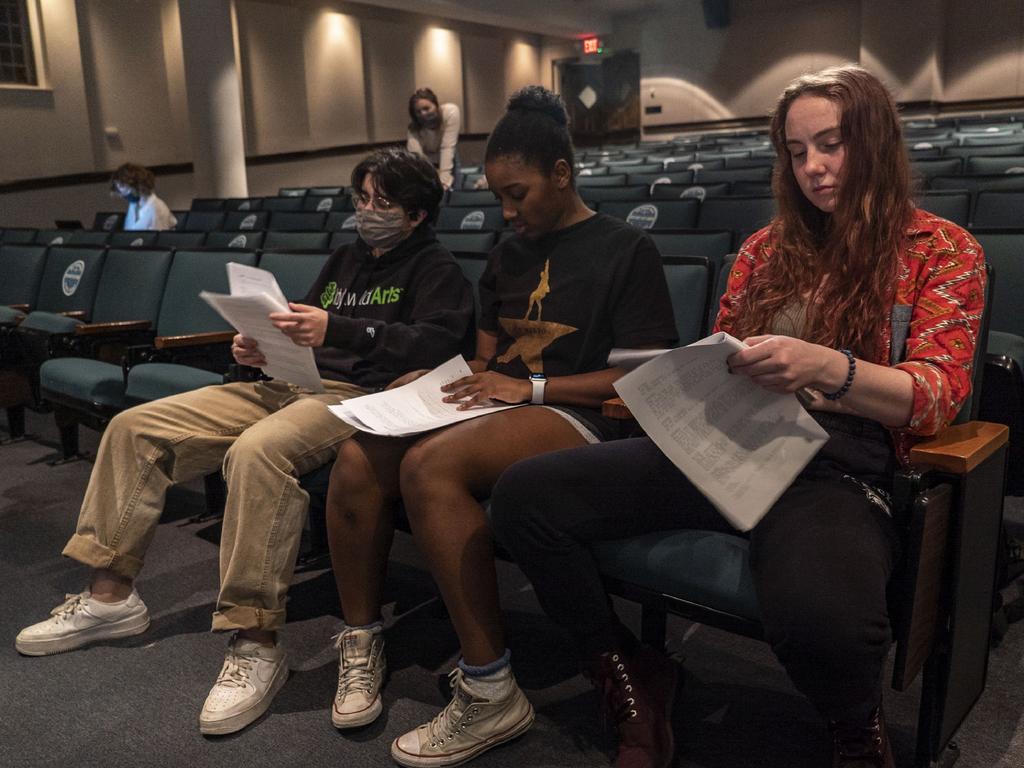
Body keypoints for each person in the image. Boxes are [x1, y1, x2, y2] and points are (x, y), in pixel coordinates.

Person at [489, 65, 986, 768]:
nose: (813, 167)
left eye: (832, 145)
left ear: (874, 142)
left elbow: (936, 394)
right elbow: (722, 353)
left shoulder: (941, 249)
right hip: (724, 439)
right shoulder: (764, 249)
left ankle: (854, 730)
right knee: (524, 496)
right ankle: (627, 669)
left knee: (826, 620)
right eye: (796, 149)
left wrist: (826, 368)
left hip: (833, 464)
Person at [15, 149, 475, 737]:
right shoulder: (345, 259)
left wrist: (339, 329)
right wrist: (259, 345)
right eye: (361, 198)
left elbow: (434, 347)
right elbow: (298, 327)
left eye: (382, 202)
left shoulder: (438, 270)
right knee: (135, 428)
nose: (366, 211)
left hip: (359, 396)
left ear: (415, 213)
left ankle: (256, 641)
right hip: (290, 381)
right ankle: (109, 599)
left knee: (257, 452)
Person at [324, 86, 679, 766]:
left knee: (431, 466)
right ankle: (361, 640)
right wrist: (429, 387)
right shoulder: (506, 255)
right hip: (505, 401)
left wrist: (529, 387)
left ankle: (490, 692)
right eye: (499, 198)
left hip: (580, 416)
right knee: (359, 456)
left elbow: (641, 381)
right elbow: (485, 360)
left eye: (519, 195)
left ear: (562, 175)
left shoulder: (625, 250)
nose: (508, 213)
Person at [407, 87, 461, 189]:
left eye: (426, 108)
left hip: (449, 159)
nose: (423, 113)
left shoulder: (451, 112)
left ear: (436, 105)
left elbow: (447, 147)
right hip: (426, 163)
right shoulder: (413, 129)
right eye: (418, 112)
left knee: (454, 194)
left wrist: (444, 180)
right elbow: (417, 157)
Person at [110, 162, 177, 231]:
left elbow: (158, 239)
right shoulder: (134, 205)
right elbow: (128, 232)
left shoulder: (157, 208)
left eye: (123, 186)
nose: (122, 194)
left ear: (139, 185)